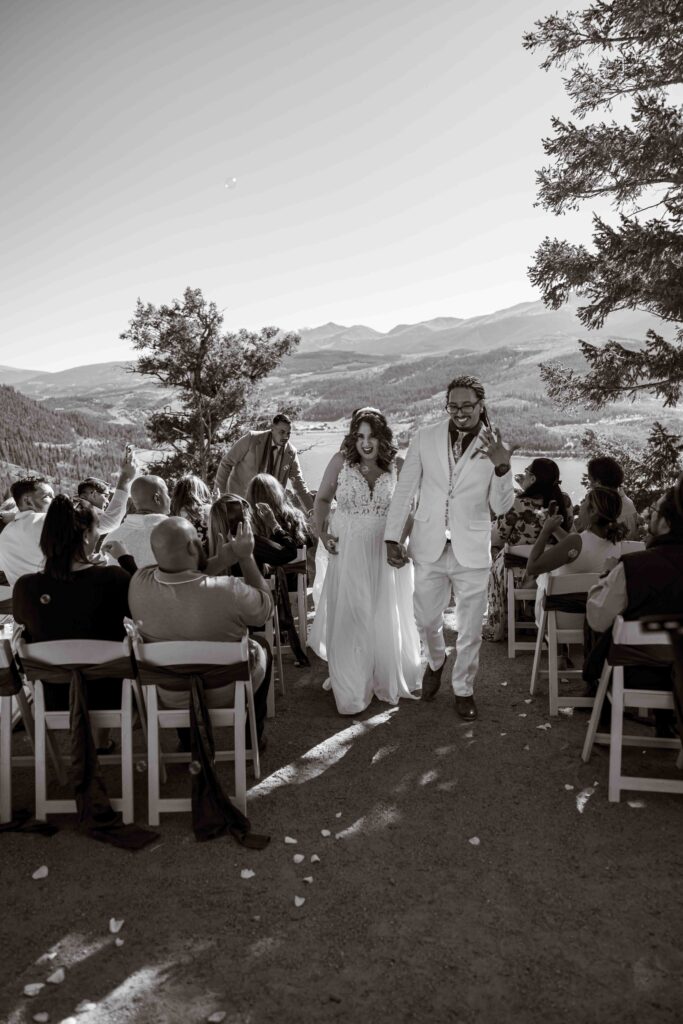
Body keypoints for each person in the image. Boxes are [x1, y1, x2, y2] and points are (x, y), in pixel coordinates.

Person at [384, 376, 516, 721]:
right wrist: (392, 537)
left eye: (467, 405)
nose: (460, 412)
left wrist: (502, 467)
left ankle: (463, 689)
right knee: (426, 619)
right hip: (428, 544)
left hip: (471, 549)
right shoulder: (425, 438)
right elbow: (405, 491)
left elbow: (500, 507)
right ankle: (436, 659)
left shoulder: (494, 445)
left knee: (470, 628)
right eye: (453, 405)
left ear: (480, 405)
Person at [308, 407, 421, 715]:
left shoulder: (398, 465)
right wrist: (321, 533)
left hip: (384, 551)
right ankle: (352, 685)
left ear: (382, 437)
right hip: (349, 550)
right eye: (359, 436)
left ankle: (380, 673)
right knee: (353, 614)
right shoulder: (340, 463)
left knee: (382, 613)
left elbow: (410, 509)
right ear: (352, 438)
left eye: (371, 436)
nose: (365, 443)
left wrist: (400, 541)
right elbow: (321, 500)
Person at [128, 516, 272, 743]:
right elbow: (265, 609)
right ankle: (250, 737)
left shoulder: (138, 582)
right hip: (226, 690)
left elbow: (181, 574)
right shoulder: (229, 590)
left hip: (167, 692)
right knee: (262, 646)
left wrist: (221, 560)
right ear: (192, 547)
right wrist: (245, 558)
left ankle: (188, 741)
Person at [12, 496, 131, 747]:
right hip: (111, 696)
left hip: (54, 696)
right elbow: (145, 603)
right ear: (87, 535)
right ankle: (101, 742)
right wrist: (124, 561)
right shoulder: (114, 579)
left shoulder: (26, 587)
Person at [585, 481, 683, 735]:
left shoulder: (633, 567)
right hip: (677, 673)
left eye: (656, 512)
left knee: (607, 624)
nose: (649, 515)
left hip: (637, 674)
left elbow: (597, 619)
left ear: (665, 524)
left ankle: (601, 709)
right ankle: (667, 723)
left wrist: (603, 578)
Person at [0, 450, 136, 588]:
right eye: (47, 496)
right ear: (28, 501)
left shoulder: (5, 535)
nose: (54, 501)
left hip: (27, 605)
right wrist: (125, 478)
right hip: (66, 601)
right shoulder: (50, 522)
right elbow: (110, 521)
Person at [526, 486, 644, 628]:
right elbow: (578, 547)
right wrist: (554, 528)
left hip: (559, 619)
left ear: (593, 511)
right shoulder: (617, 543)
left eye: (584, 502)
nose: (580, 505)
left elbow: (532, 567)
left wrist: (545, 532)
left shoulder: (576, 542)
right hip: (595, 619)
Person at [484, 458, 573, 641]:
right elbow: (570, 533)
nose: (522, 475)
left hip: (519, 576)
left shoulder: (517, 504)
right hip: (553, 571)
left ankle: (504, 620)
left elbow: (497, 538)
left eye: (526, 472)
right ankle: (529, 616)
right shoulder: (564, 502)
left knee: (497, 552)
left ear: (533, 479)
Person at [214, 414, 314, 511]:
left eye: (288, 433)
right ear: (272, 428)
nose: (285, 437)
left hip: (269, 511)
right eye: (282, 432)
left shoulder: (291, 452)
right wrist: (220, 497)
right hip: (240, 503)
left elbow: (298, 483)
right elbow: (226, 463)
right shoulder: (251, 438)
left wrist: (311, 510)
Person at [104, 475, 171, 568]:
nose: (169, 498)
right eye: (167, 493)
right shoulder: (173, 532)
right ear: (157, 498)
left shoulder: (110, 538)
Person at [575, 456, 640, 539]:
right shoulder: (628, 503)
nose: (590, 485)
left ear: (598, 483)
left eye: (591, 481)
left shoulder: (603, 508)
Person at [170, 474, 212, 550]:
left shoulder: (175, 516)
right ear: (202, 491)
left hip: (188, 559)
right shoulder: (209, 509)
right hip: (212, 557)